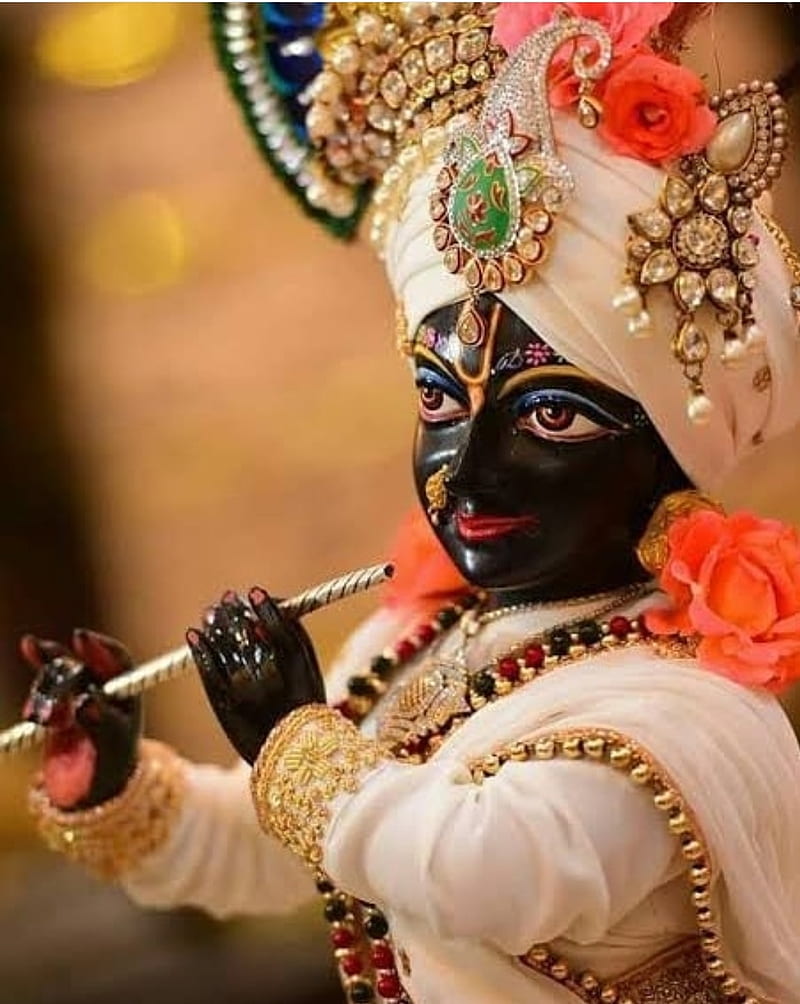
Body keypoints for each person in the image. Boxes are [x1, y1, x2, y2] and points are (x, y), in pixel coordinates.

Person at [20, 4, 800, 1003]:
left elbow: (482, 873)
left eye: (549, 416)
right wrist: (121, 779)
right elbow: (281, 842)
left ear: (664, 451)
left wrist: (293, 732)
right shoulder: (419, 650)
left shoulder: (680, 710)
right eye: (438, 399)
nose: (466, 471)